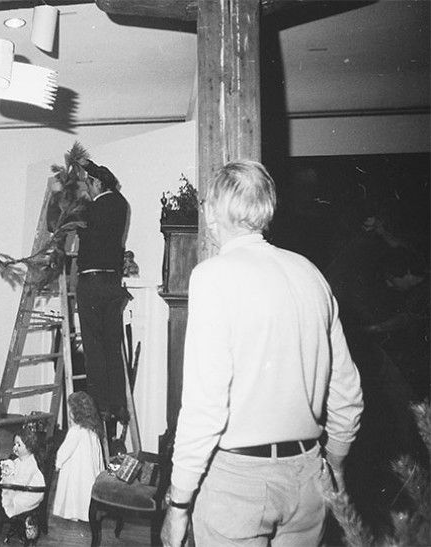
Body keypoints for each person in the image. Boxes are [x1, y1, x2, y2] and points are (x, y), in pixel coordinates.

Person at [160, 160, 364, 547]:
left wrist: (179, 503)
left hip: (239, 483)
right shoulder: (311, 274)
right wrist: (334, 461)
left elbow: (206, 405)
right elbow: (347, 391)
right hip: (308, 476)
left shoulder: (212, 276)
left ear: (212, 211)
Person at [75, 159, 131, 431]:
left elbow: (71, 222)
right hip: (112, 284)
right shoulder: (122, 205)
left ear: (98, 184)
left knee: (94, 347)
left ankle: (100, 407)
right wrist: (88, 165)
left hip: (92, 283)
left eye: (90, 184)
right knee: (112, 345)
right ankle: (118, 404)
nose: (88, 188)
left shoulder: (92, 208)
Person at [52, 391, 104, 521]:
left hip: (75, 471)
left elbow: (65, 450)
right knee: (84, 491)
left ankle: (73, 513)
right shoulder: (92, 432)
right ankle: (85, 513)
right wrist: (100, 471)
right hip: (88, 472)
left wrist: (58, 463)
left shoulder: (75, 431)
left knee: (74, 490)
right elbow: (98, 455)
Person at [0, 426, 45, 518]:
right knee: (1, 491)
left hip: (32, 493)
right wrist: (8, 470)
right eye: (15, 444)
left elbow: (22, 483)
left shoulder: (30, 464)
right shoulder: (20, 459)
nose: (15, 447)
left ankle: (24, 520)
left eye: (19, 445)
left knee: (8, 498)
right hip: (22, 488)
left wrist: (8, 481)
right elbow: (15, 470)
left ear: (29, 447)